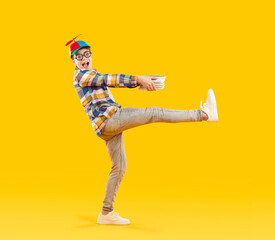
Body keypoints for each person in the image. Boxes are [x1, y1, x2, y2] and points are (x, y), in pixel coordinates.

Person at [67, 36, 218, 225]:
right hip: (110, 119)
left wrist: (141, 84)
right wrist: (137, 78)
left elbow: (105, 87)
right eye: (78, 56)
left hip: (105, 126)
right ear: (73, 61)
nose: (83, 58)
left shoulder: (89, 73)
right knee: (154, 113)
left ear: (91, 55)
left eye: (86, 54)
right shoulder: (81, 76)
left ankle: (106, 213)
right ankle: (203, 114)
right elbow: (108, 79)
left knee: (119, 168)